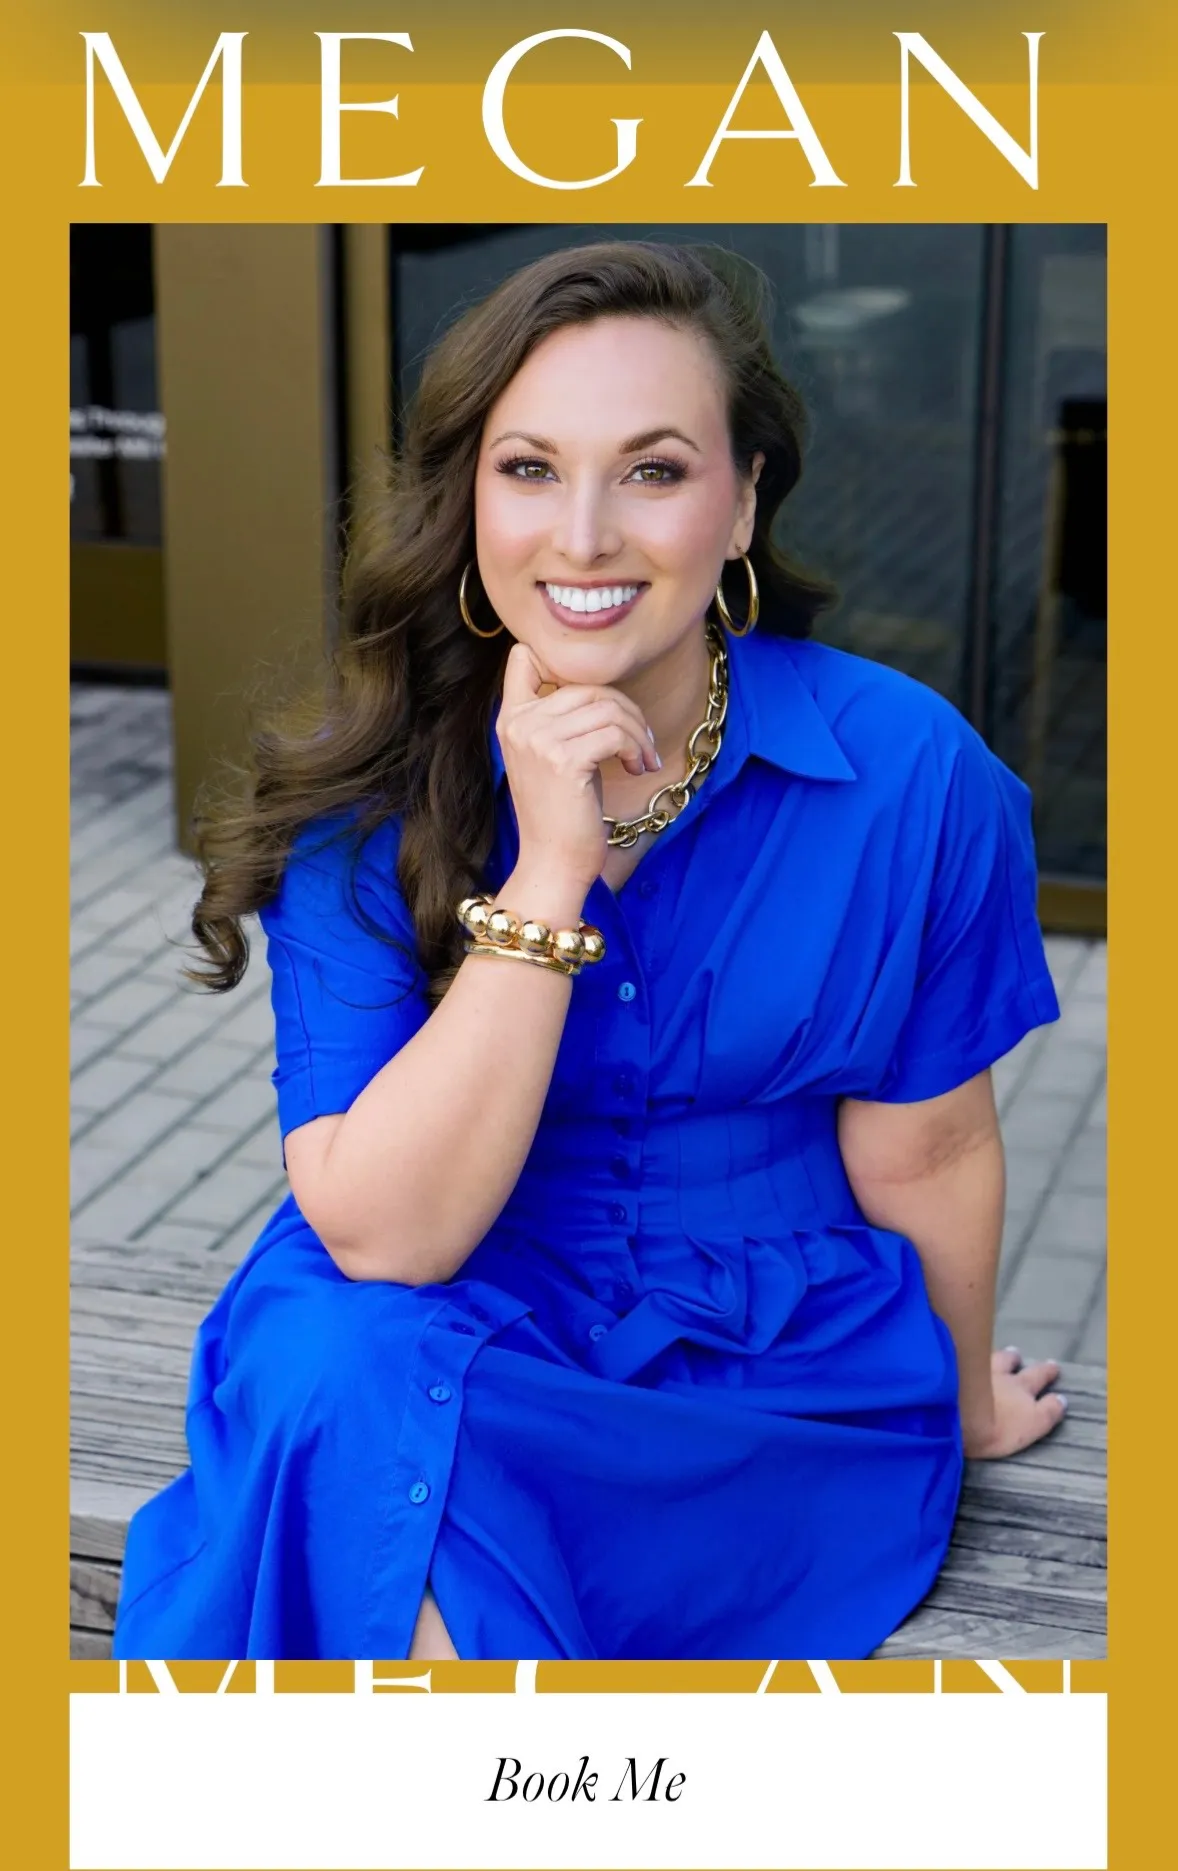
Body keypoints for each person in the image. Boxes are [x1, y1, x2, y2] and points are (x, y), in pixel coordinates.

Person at [112, 240, 1066, 1664]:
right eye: (529, 469)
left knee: (391, 1496)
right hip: (434, 1306)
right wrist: (553, 870)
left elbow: (924, 1151)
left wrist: (965, 1397)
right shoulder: (365, 788)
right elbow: (386, 1236)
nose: (583, 535)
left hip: (769, 1365)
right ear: (469, 499)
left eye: (654, 471)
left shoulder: (910, 772)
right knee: (360, 1396)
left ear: (743, 502)